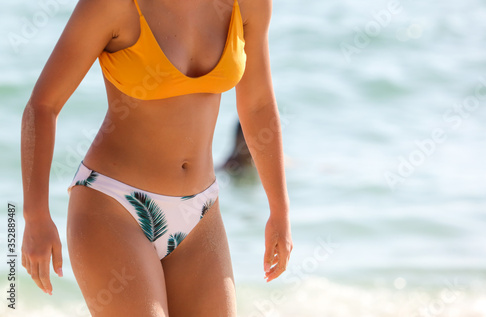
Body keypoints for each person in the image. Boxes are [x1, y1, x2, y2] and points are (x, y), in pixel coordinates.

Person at [20, 0, 293, 315]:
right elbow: (42, 105)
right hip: (113, 206)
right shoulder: (112, 6)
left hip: (200, 213)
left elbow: (258, 104)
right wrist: (35, 216)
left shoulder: (248, 5)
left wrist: (280, 210)